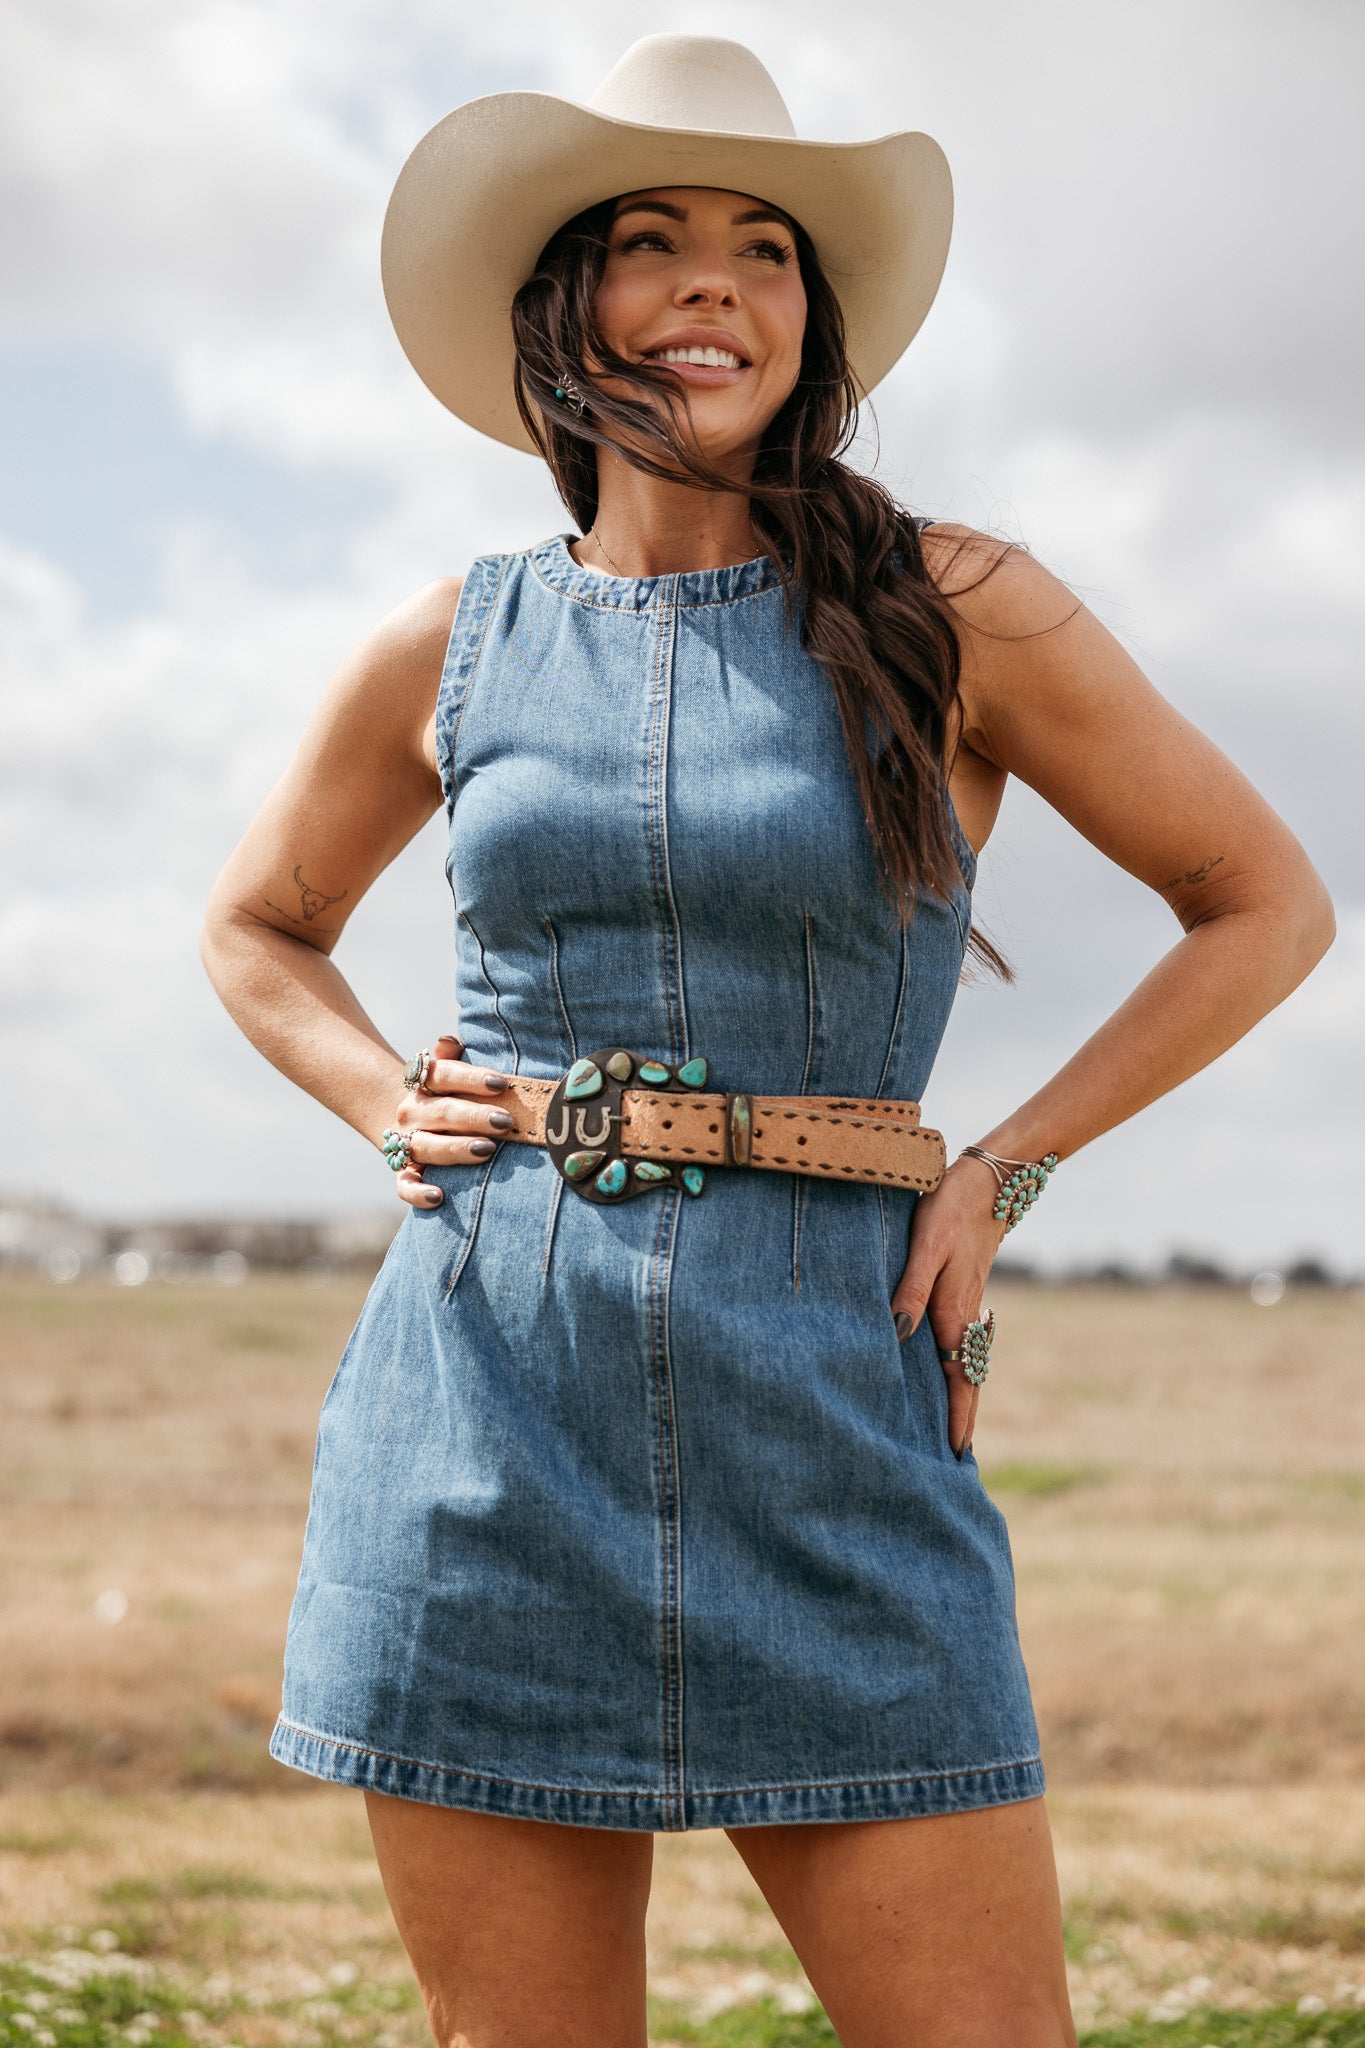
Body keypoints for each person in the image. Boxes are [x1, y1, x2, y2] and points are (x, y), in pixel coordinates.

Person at [200, 32, 1334, 2048]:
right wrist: (385, 1097)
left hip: (831, 1405)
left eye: (763, 247)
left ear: (807, 320)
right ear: (564, 306)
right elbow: (257, 924)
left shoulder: (955, 605)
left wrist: (1003, 1167)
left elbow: (1262, 901)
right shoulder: (446, 643)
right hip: (484, 1410)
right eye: (649, 238)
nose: (710, 281)